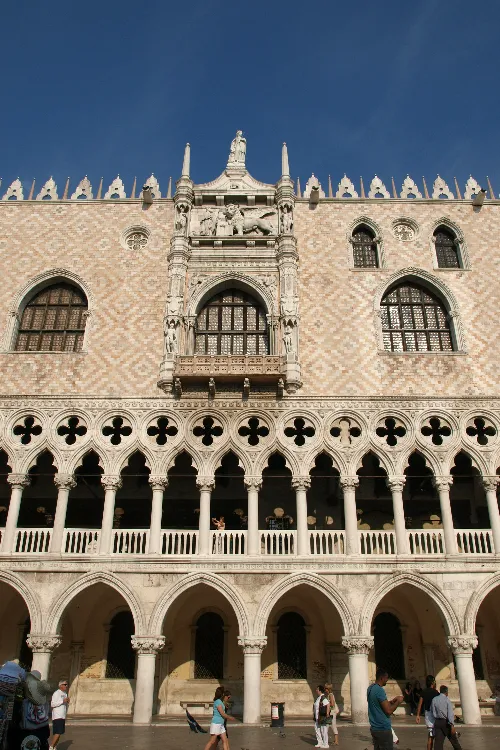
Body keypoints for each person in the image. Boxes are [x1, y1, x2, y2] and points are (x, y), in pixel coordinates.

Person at [367, 667, 404, 750]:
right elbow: (388, 710)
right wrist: (398, 701)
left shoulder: (370, 688)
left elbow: (378, 704)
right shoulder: (379, 690)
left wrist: (391, 702)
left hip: (374, 728)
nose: (387, 680)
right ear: (381, 678)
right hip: (383, 729)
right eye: (386, 678)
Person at [203, 686, 236, 750]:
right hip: (216, 724)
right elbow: (222, 714)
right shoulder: (217, 701)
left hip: (221, 724)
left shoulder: (220, 701)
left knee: (225, 740)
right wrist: (230, 718)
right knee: (212, 741)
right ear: (221, 694)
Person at [430, 686, 462, 750]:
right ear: (446, 692)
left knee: (438, 743)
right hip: (446, 723)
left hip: (438, 722)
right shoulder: (447, 700)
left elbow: (433, 711)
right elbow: (450, 714)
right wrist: (452, 725)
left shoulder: (434, 699)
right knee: (454, 740)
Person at [416, 675, 440, 750]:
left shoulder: (424, 692)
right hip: (435, 715)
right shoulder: (436, 692)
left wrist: (418, 715)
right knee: (437, 736)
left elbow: (420, 704)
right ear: (433, 683)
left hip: (428, 715)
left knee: (430, 736)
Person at [49, 679, 69, 749]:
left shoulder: (65, 694)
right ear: (60, 685)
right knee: (58, 733)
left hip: (62, 716)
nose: (66, 686)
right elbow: (52, 704)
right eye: (65, 684)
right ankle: (51, 747)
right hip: (57, 716)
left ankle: (54, 747)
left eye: (67, 685)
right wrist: (62, 701)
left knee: (59, 733)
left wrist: (67, 702)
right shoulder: (56, 693)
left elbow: (64, 704)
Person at [313, 685, 330, 749]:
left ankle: (326, 744)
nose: (316, 690)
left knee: (323, 730)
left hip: (322, 716)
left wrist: (327, 713)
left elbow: (328, 704)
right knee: (317, 729)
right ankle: (320, 742)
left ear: (320, 690)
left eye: (317, 689)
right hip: (317, 717)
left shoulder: (323, 697)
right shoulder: (319, 697)